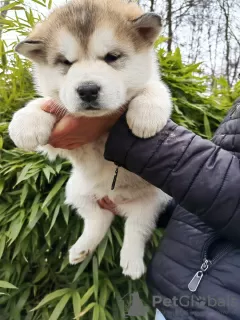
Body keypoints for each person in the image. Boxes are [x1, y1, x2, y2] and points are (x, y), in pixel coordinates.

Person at [42, 98, 240, 320]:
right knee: (80, 190)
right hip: (175, 294)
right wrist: (168, 211)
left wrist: (119, 129)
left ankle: (117, 232)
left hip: (220, 308)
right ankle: (95, 223)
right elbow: (218, 188)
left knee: (148, 201)